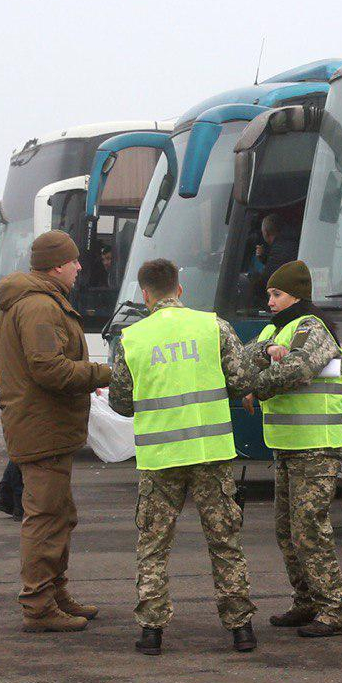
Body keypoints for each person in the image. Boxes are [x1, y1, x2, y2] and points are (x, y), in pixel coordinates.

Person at [109, 258, 258, 656]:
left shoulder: (133, 338)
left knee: (153, 545)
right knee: (224, 541)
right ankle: (241, 628)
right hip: (211, 452)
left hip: (160, 458)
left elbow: (121, 402)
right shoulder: (213, 325)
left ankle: (152, 633)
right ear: (180, 288)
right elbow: (243, 380)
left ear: (144, 294)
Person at [0, 230, 112, 633]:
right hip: (41, 427)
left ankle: (55, 593)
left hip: (45, 425)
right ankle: (39, 606)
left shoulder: (36, 302)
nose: (80, 268)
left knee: (59, 515)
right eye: (75, 261)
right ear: (57, 265)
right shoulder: (40, 307)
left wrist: (82, 376)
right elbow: (48, 367)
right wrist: (102, 374)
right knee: (45, 518)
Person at [243, 260, 342, 638]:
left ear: (297, 295)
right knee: (286, 530)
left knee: (309, 529)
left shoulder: (312, 328)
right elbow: (244, 359)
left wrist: (258, 386)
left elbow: (298, 368)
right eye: (269, 294)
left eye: (277, 294)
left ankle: (333, 609)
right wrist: (268, 351)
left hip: (316, 447)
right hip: (289, 446)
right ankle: (306, 601)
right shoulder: (278, 328)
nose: (270, 301)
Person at [250, 214, 295, 300]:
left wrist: (251, 279)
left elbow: (267, 282)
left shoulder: (280, 250)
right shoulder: (290, 242)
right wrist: (264, 258)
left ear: (266, 233)